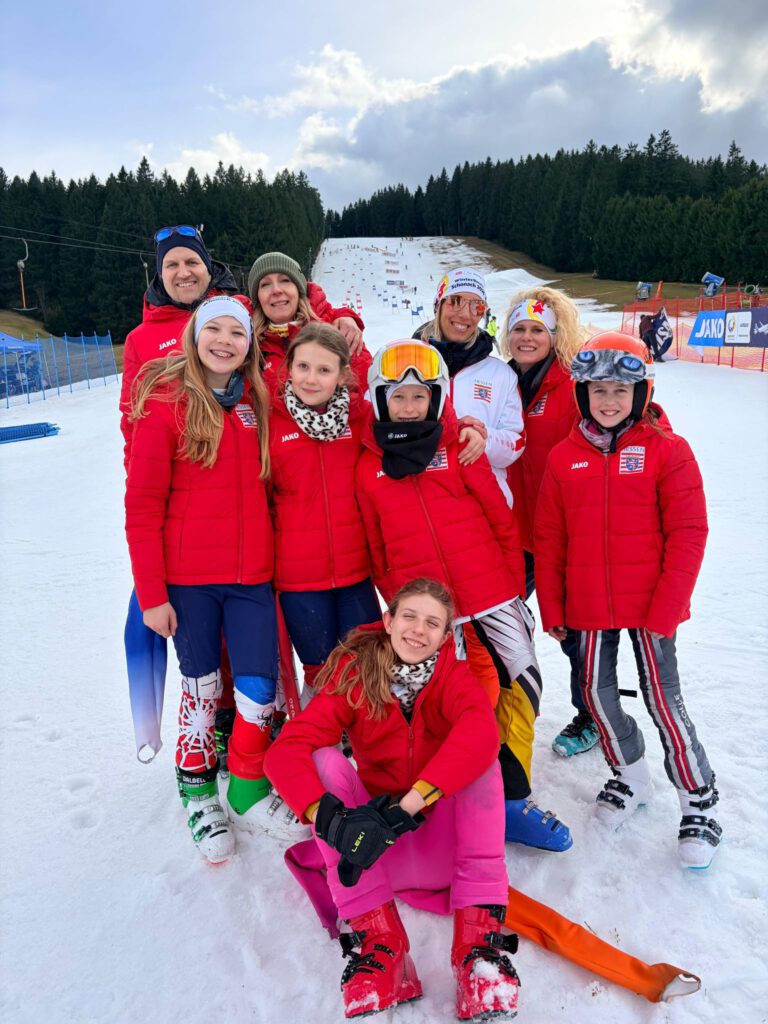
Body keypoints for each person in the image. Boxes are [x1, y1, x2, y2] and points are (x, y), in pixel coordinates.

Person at [264, 578, 520, 1021]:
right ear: (388, 621)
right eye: (410, 617)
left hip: (447, 854)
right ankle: (382, 948)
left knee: (483, 761)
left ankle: (478, 953)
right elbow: (286, 750)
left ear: (445, 636)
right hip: (369, 855)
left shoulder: (454, 677)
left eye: (432, 623)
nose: (419, 630)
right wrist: (333, 821)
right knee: (323, 760)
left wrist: (406, 808)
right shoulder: (355, 675)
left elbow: (480, 732)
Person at [355, 340, 572, 852]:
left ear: (437, 398)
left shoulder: (459, 446)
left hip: (491, 593)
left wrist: (512, 587)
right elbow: (376, 546)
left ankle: (512, 799)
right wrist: (401, 605)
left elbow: (500, 517)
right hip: (432, 614)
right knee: (453, 705)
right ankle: (461, 795)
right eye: (398, 397)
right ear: (381, 400)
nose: (410, 407)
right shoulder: (368, 467)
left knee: (521, 686)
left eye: (420, 396)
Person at [534, 332, 722, 870]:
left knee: (665, 703)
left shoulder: (668, 450)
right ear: (583, 394)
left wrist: (669, 608)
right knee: (595, 696)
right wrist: (553, 607)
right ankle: (631, 774)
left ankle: (699, 798)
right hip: (589, 604)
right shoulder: (563, 458)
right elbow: (550, 538)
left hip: (651, 606)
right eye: (598, 390)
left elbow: (689, 533)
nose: (609, 401)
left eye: (621, 390)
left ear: (641, 394)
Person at [125, 296, 278, 863]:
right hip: (190, 580)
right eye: (213, 329)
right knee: (202, 689)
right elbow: (142, 506)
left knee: (259, 690)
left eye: (237, 332)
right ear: (194, 336)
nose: (224, 341)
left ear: (248, 345)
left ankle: (246, 783)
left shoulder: (255, 401)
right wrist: (151, 595)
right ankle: (197, 790)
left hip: (252, 576)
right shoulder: (167, 404)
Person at [120, 226, 242, 766]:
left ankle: (251, 718)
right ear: (159, 274)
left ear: (208, 267)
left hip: (243, 500)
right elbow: (132, 421)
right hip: (184, 508)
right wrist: (147, 492)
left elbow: (289, 299)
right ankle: (212, 724)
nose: (183, 272)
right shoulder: (142, 340)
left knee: (249, 626)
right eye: (171, 265)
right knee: (198, 628)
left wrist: (342, 316)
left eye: (191, 261)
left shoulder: (237, 313)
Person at [416, 268, 527, 785]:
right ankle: (437, 736)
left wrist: (484, 442)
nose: (464, 315)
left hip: (481, 519)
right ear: (439, 305)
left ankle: (483, 744)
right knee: (435, 637)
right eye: (455, 302)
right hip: (426, 518)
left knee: (485, 645)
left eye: (475, 307)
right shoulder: (412, 356)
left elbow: (515, 440)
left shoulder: (498, 374)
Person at [500, 288, 599, 758]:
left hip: (566, 534)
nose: (526, 337)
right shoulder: (503, 382)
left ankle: (593, 716)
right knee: (499, 622)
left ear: (555, 335)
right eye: (519, 328)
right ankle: (498, 708)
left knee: (576, 634)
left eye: (537, 329)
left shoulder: (572, 384)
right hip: (516, 531)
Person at [268, 323, 381, 700]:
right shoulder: (270, 421)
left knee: (363, 667)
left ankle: (365, 733)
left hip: (356, 573)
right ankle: (317, 733)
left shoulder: (362, 417)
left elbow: (416, 422)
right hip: (299, 580)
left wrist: (466, 427)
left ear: (343, 375)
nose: (311, 379)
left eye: (324, 369)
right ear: (289, 367)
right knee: (318, 673)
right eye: (303, 367)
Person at [248, 251, 371, 393]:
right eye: (265, 284)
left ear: (299, 289)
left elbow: (367, 391)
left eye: (285, 280)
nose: (276, 290)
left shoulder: (337, 330)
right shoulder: (248, 342)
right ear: (257, 298)